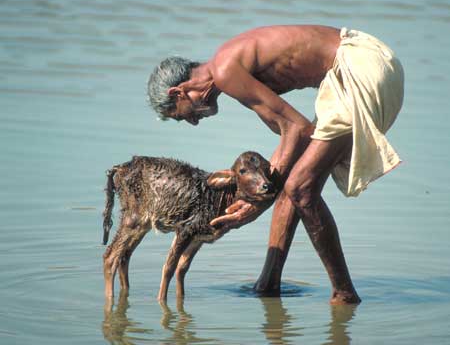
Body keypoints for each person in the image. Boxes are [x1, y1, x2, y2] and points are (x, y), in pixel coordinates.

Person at [147, 25, 404, 304]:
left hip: (360, 67)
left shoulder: (224, 71)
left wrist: (254, 202)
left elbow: (296, 128)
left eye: (181, 116)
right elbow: (292, 136)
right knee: (291, 186)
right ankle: (268, 284)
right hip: (365, 66)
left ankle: (344, 293)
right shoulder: (228, 67)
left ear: (178, 93)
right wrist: (261, 194)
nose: (193, 121)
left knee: (300, 188)